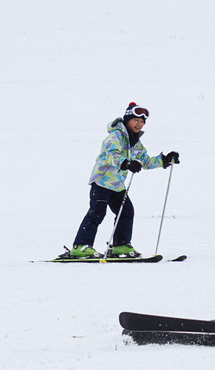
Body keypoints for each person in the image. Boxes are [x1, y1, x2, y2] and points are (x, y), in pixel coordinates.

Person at [61, 102, 180, 259]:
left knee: (127, 212)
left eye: (142, 122)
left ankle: (120, 245)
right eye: (136, 120)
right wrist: (126, 163)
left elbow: (144, 160)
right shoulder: (115, 136)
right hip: (102, 182)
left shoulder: (134, 142)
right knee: (97, 213)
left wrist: (164, 160)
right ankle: (80, 246)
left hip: (117, 185)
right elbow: (111, 155)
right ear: (127, 120)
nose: (139, 124)